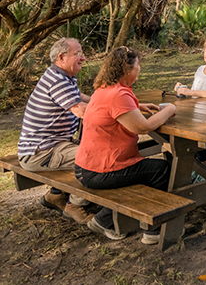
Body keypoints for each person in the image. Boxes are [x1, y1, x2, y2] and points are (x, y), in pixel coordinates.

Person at [74, 46, 177, 244]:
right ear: (127, 70)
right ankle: (152, 231)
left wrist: (138, 106)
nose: (140, 69)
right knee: (162, 169)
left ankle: (105, 219)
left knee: (145, 168)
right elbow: (143, 127)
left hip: (86, 167)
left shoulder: (104, 89)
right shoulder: (118, 95)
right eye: (138, 65)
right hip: (100, 171)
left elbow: (114, 110)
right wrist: (170, 109)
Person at [17, 38, 93, 224]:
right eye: (78, 54)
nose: (83, 58)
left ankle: (56, 195)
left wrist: (109, 101)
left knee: (92, 148)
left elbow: (80, 97)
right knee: (96, 157)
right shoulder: (57, 80)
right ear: (61, 57)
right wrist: (117, 111)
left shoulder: (62, 76)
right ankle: (74, 205)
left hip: (50, 146)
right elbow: (81, 110)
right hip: (40, 153)